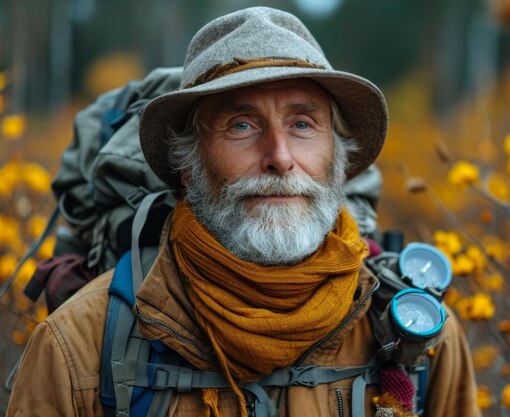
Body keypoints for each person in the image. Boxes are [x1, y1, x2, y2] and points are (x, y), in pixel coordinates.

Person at [7, 7, 480, 417]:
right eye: (241, 124)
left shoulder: (419, 342)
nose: (279, 156)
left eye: (302, 124)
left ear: (339, 164)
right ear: (188, 167)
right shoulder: (77, 348)